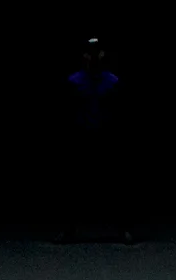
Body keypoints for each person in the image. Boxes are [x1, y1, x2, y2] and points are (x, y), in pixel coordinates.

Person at [58, 37, 133, 244]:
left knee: (116, 185)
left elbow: (121, 114)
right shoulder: (73, 82)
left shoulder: (113, 82)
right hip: (81, 140)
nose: (93, 56)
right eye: (89, 52)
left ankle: (123, 229)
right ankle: (67, 230)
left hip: (107, 141)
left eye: (97, 52)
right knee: (73, 185)